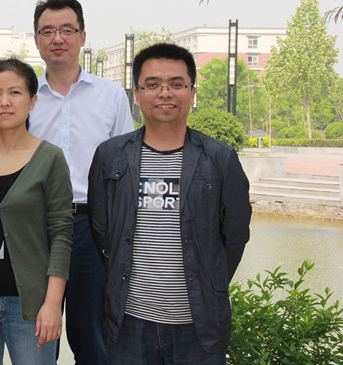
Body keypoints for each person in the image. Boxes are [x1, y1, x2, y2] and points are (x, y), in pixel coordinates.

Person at [88, 43, 251, 364]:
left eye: (176, 84)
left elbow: (235, 236)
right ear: (137, 95)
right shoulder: (111, 156)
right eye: (152, 85)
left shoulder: (219, 159)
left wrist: (210, 283)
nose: (165, 93)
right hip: (129, 322)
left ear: (192, 93)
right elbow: (101, 228)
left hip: (198, 325)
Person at [27, 0, 134, 365]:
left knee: (93, 338)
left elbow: (128, 167)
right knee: (36, 335)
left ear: (83, 36)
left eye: (67, 30)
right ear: (36, 40)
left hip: (93, 227)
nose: (58, 38)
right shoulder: (24, 97)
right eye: (47, 31)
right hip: (36, 227)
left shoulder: (111, 95)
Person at [0, 59, 73, 365]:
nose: (4, 102)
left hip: (31, 307)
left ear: (32, 100)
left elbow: (61, 233)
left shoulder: (50, 158)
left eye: (15, 92)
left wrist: (53, 303)